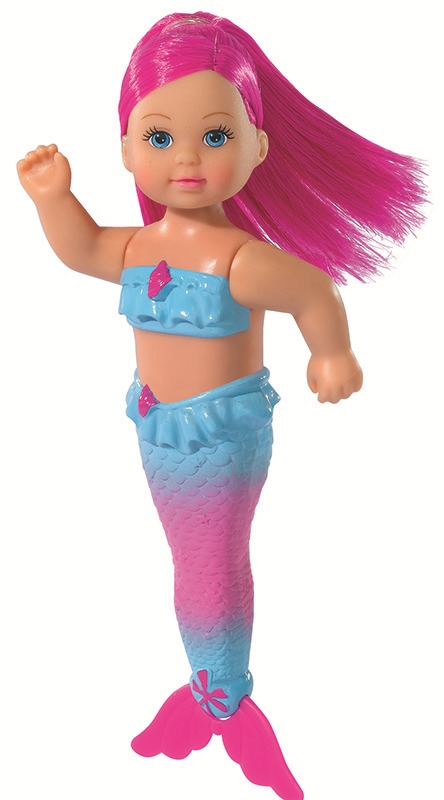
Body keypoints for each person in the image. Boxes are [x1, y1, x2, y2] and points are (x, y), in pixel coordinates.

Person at [16, 12, 426, 800]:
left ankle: (222, 698)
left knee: (209, 560)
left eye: (214, 135)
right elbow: (81, 248)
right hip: (156, 429)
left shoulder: (238, 258)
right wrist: (52, 198)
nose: (187, 159)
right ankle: (211, 693)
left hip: (223, 435)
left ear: (257, 146)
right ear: (127, 148)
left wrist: (332, 352)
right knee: (193, 559)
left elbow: (313, 291)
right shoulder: (137, 249)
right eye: (159, 137)